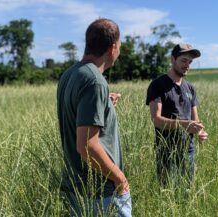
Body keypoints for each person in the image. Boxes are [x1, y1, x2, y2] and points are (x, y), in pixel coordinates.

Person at [57, 18, 131, 216]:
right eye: (120, 46)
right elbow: (87, 146)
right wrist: (119, 178)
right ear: (112, 48)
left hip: (77, 187)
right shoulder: (95, 82)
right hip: (101, 193)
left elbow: (76, 109)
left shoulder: (71, 73)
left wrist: (104, 102)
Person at [146, 43, 208, 186]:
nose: (187, 65)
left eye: (190, 62)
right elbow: (156, 120)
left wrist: (200, 132)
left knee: (187, 192)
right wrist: (184, 125)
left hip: (188, 151)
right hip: (167, 151)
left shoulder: (190, 88)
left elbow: (195, 120)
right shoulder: (158, 85)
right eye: (183, 60)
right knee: (167, 194)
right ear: (172, 60)